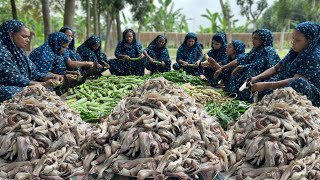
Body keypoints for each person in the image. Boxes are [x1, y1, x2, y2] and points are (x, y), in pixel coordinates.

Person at [250, 22, 320, 106]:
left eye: (298, 40)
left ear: (310, 41)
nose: (293, 42)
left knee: (298, 83)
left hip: (307, 92)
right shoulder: (293, 52)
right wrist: (257, 78)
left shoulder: (315, 56)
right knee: (264, 85)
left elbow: (294, 80)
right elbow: (275, 68)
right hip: (287, 83)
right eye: (293, 39)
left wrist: (266, 85)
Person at [0, 19, 61, 102]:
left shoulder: (19, 52)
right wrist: (42, 84)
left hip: (23, 84)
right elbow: (12, 79)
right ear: (11, 35)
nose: (28, 40)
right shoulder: (2, 51)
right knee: (11, 92)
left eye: (28, 37)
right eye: (24, 36)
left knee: (42, 88)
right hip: (7, 86)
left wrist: (47, 77)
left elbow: (33, 72)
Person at [224, 29, 280, 101]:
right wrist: (224, 68)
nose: (253, 40)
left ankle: (249, 96)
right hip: (256, 73)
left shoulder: (268, 50)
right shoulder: (255, 50)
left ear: (263, 39)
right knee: (239, 69)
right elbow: (243, 59)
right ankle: (237, 92)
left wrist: (243, 67)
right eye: (252, 38)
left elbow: (260, 66)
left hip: (265, 76)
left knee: (249, 71)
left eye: (255, 38)